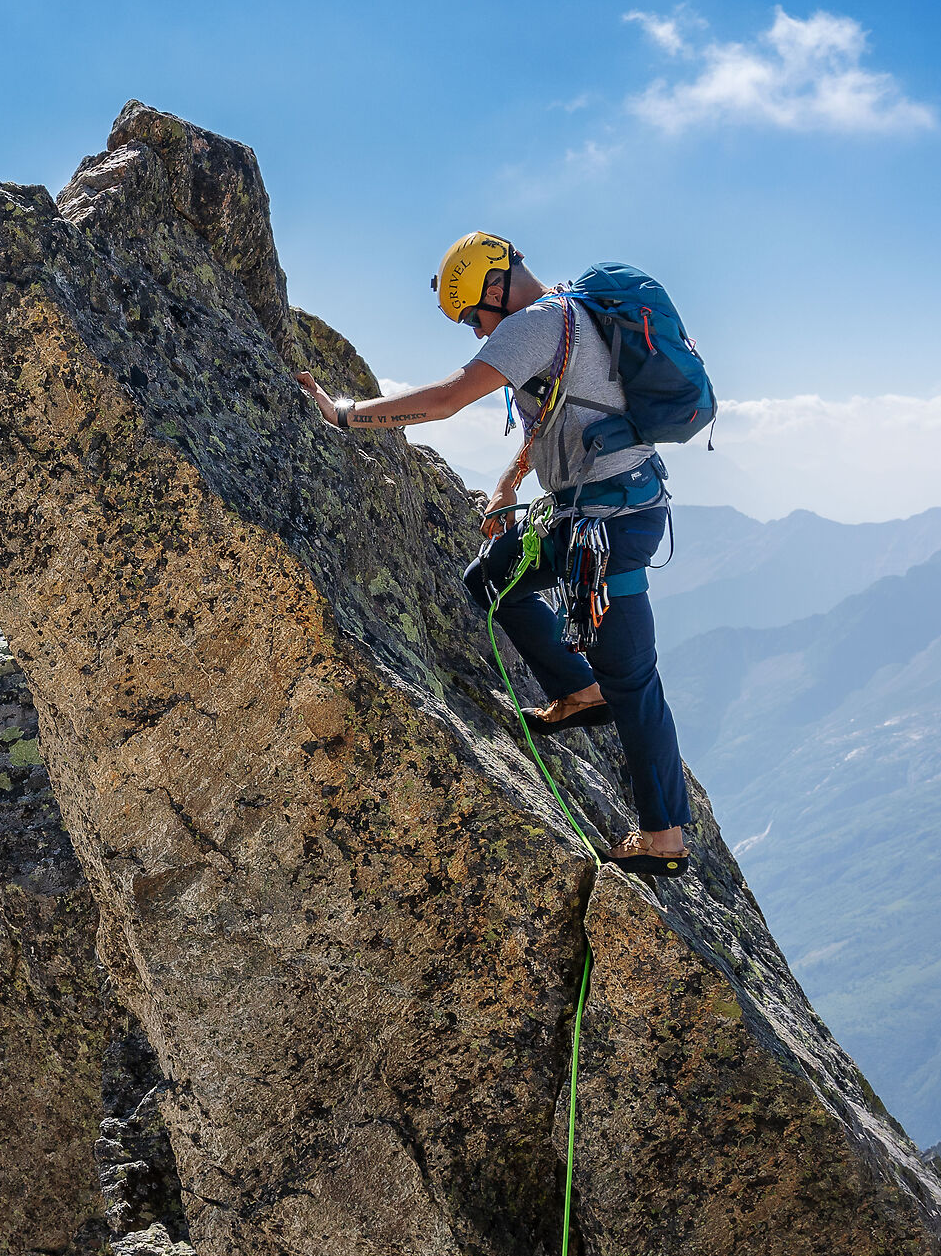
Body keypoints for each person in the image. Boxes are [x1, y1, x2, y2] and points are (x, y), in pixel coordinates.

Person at [291, 231, 690, 878]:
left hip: (611, 528)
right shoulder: (569, 316)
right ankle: (577, 692)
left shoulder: (534, 323)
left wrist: (345, 415)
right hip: (603, 514)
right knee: (495, 577)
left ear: (493, 289)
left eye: (474, 316)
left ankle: (665, 837)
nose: (478, 333)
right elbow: (558, 419)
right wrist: (508, 482)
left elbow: (449, 399)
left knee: (635, 681)